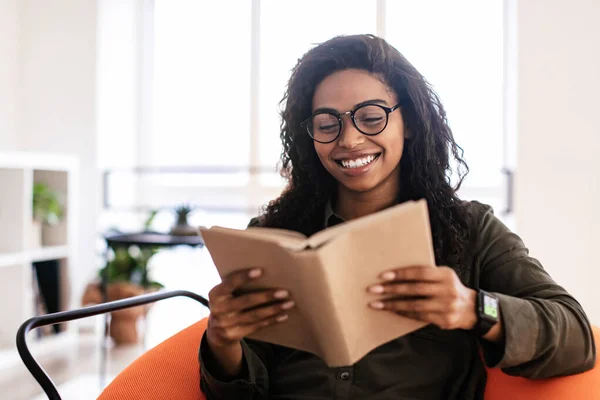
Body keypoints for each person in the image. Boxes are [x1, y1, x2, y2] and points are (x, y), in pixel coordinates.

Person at [198, 34, 596, 399]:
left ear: (409, 124)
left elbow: (577, 338)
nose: (349, 139)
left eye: (371, 117)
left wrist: (473, 307)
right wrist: (222, 342)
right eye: (326, 124)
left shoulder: (470, 230)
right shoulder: (273, 237)